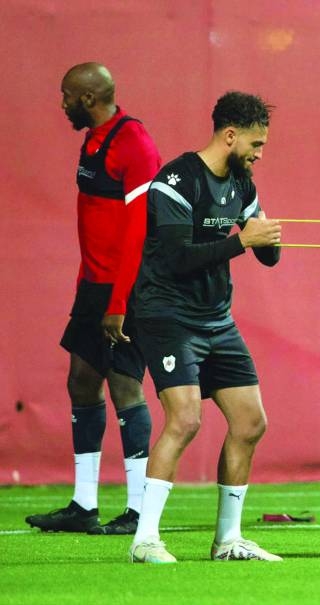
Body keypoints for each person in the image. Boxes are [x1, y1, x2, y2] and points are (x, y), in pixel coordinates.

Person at [127, 91, 283, 563]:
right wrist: (242, 242)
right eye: (255, 143)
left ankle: (228, 541)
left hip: (216, 318)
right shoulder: (175, 181)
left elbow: (268, 256)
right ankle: (145, 540)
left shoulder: (243, 184)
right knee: (187, 418)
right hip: (166, 314)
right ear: (229, 135)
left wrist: (267, 239)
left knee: (251, 422)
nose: (259, 153)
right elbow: (175, 260)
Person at [26, 63, 160, 535]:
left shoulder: (135, 145)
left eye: (66, 96)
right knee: (82, 381)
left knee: (125, 385)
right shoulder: (93, 139)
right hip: (93, 285)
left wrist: (119, 301)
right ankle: (84, 504)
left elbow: (139, 231)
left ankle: (139, 510)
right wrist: (89, 286)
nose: (61, 105)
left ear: (87, 99)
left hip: (126, 289)